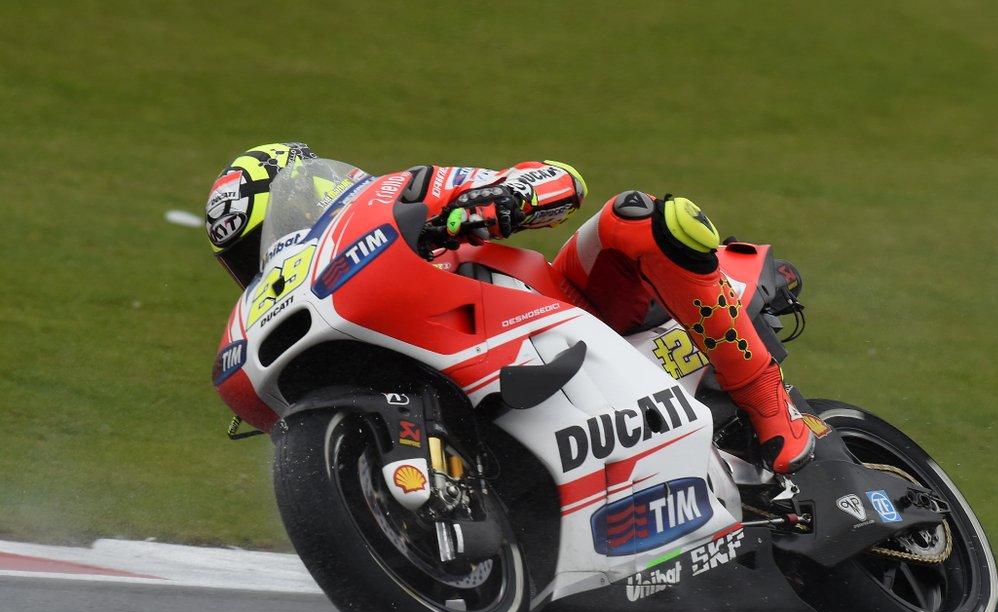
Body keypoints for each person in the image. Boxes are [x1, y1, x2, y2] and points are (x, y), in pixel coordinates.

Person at [205, 143, 814, 472]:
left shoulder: (394, 198)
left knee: (636, 216)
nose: (271, 260)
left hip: (571, 315)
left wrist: (502, 197)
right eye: (246, 258)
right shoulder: (304, 303)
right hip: (475, 382)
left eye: (270, 232)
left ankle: (770, 408)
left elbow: (560, 178)